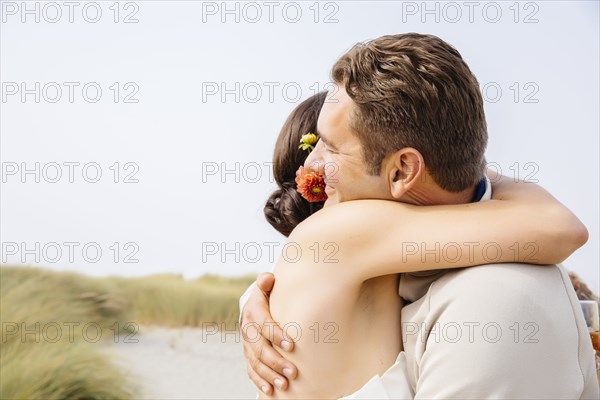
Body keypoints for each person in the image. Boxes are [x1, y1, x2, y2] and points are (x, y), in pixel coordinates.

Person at [241, 34, 599, 399]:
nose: (311, 164)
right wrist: (268, 293)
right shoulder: (356, 254)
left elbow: (563, 228)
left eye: (330, 148)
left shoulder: (494, 304)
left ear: (402, 171)